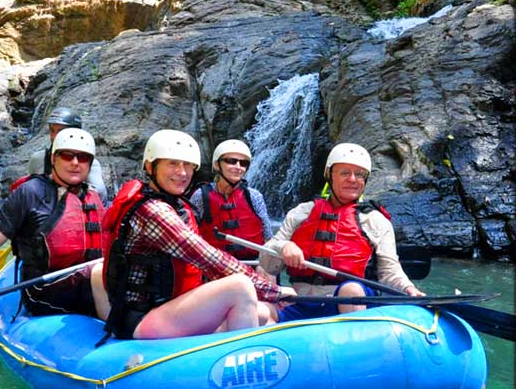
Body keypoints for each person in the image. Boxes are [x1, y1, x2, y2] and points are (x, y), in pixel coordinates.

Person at [99, 129, 296, 340]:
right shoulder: (153, 211)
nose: (182, 172)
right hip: (141, 319)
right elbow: (208, 258)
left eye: (187, 166)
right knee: (240, 286)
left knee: (263, 313)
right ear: (150, 166)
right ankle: (242, 361)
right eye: (172, 163)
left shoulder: (176, 204)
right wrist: (273, 291)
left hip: (168, 307)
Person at [259, 142, 425, 321]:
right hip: (303, 303)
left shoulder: (375, 220)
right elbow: (267, 262)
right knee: (260, 312)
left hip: (351, 300)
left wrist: (409, 289)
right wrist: (284, 246)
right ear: (329, 175)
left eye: (360, 174)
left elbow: (390, 271)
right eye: (345, 173)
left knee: (350, 290)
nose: (353, 179)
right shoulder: (302, 213)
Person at [0, 127, 105, 317]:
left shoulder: (92, 197)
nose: (75, 163)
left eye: (83, 157)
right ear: (53, 159)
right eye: (67, 156)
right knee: (101, 274)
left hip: (88, 287)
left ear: (90, 164)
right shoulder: (30, 193)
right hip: (47, 293)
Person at [190, 139, 272, 260]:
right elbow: (189, 238)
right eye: (231, 161)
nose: (238, 167)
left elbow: (268, 237)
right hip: (215, 267)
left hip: (252, 264)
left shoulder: (254, 196)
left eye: (243, 163)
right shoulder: (201, 196)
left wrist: (266, 266)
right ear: (217, 164)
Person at [10, 107, 108, 202]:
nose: (54, 136)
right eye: (52, 130)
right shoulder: (38, 159)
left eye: (60, 131)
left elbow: (100, 194)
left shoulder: (88, 163)